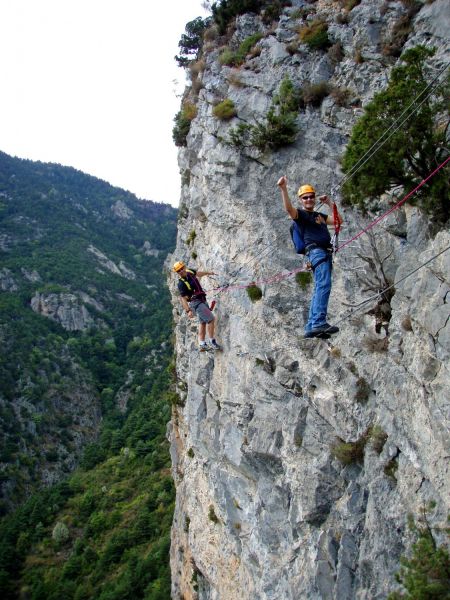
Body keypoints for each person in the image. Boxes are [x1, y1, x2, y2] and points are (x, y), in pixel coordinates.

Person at [276, 176, 343, 338]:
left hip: (323, 253)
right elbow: (289, 209)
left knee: (320, 286)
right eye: (305, 197)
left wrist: (329, 203)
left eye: (311, 196)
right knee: (324, 285)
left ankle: (312, 326)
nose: (309, 200)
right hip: (317, 252)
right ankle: (319, 322)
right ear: (301, 200)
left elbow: (338, 221)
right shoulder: (302, 216)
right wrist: (283, 188)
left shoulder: (319, 216)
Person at [173, 261, 221, 351]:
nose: (181, 271)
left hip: (202, 299)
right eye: (178, 271)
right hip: (196, 303)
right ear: (177, 273)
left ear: (184, 267)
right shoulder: (181, 284)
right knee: (211, 319)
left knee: (202, 322)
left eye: (181, 268)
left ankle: (202, 343)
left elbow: (198, 273)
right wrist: (188, 310)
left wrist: (208, 273)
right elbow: (183, 298)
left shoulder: (190, 272)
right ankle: (212, 342)